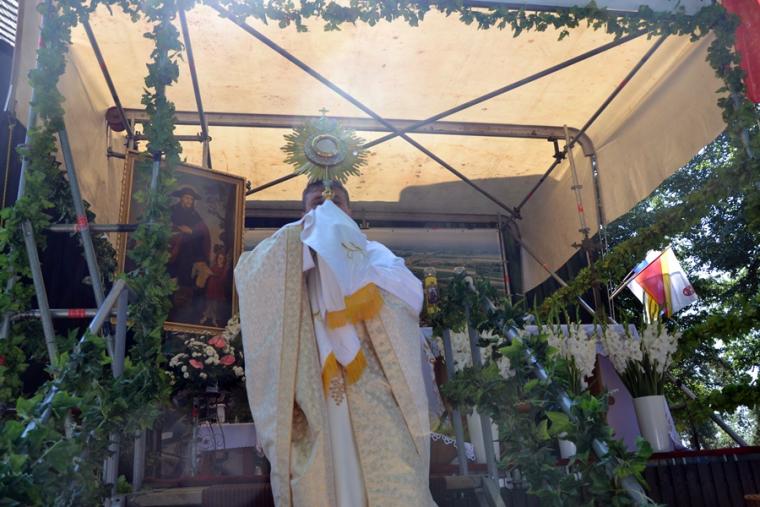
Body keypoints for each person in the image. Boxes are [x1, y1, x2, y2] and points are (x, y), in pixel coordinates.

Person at [235, 181, 435, 506]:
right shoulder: (289, 252)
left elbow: (410, 294)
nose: (326, 209)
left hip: (372, 386)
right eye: (317, 203)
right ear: (303, 212)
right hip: (312, 387)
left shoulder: (373, 254)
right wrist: (306, 238)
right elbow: (250, 274)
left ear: (350, 211)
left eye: (335, 202)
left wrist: (350, 265)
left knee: (394, 472)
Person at [168, 186, 211, 322]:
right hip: (173, 251)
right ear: (181, 198)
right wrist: (178, 231)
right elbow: (166, 226)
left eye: (191, 199)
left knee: (187, 279)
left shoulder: (194, 215)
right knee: (171, 277)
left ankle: (186, 311)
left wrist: (191, 232)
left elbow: (202, 230)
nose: (189, 201)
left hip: (189, 253)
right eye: (187, 198)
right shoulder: (172, 211)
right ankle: (170, 307)